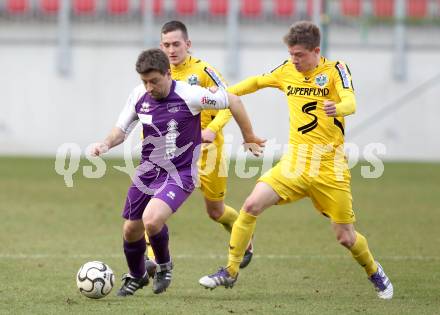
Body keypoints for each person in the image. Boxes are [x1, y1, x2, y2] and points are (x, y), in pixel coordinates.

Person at [199, 21, 393, 300]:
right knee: (251, 205)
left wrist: (336, 107)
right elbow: (256, 82)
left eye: (299, 55)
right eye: (291, 54)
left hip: (330, 168)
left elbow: (351, 103)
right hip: (295, 163)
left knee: (346, 237)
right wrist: (221, 96)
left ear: (316, 51)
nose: (294, 60)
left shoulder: (336, 70)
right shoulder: (287, 70)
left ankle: (374, 271)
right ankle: (230, 271)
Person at [90, 48, 265, 296]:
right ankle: (137, 276)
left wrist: (249, 137)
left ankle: (164, 266)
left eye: (154, 81)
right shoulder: (139, 95)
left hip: (181, 172)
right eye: (145, 81)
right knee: (130, 230)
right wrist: (105, 144)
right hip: (148, 171)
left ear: (168, 74)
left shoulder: (190, 95)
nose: (149, 87)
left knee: (152, 219)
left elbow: (234, 101)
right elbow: (121, 128)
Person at [144, 20, 254, 268]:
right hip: (173, 155)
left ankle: (244, 234)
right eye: (166, 45)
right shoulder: (157, 75)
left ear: (188, 44)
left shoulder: (203, 71)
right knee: (153, 205)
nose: (171, 50)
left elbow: (230, 102)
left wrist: (213, 130)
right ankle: (153, 260)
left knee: (216, 212)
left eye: (176, 44)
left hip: (209, 153)